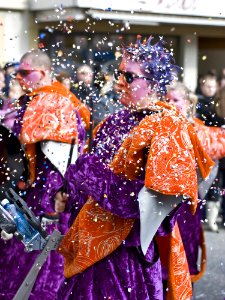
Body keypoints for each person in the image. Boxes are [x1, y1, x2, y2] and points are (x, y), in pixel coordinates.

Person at [55, 36, 213, 300]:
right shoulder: (112, 121)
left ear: (152, 83)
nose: (118, 83)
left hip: (126, 262)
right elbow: (87, 183)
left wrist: (92, 176)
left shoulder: (168, 128)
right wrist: (68, 189)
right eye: (119, 74)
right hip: (88, 253)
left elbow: (154, 211)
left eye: (129, 77)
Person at [0, 49, 90, 299]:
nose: (18, 77)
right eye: (17, 72)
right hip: (26, 199)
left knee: (38, 273)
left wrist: (46, 202)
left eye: (25, 72)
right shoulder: (37, 99)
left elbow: (62, 164)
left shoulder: (55, 101)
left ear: (45, 72)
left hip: (44, 205)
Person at [166, 81, 225, 282]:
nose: (171, 104)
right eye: (167, 100)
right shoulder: (158, 125)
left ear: (188, 102)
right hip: (163, 201)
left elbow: (213, 160)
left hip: (188, 200)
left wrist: (197, 189)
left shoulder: (199, 129)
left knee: (185, 247)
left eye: (176, 100)